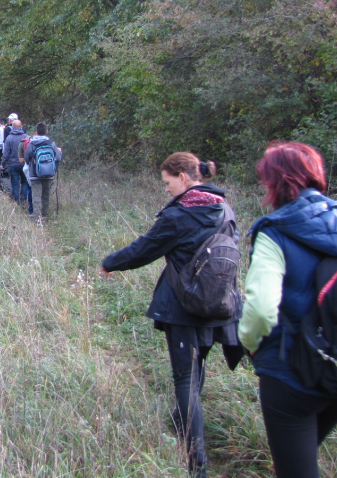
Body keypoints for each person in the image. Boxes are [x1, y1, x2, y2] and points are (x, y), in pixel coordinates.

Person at [239, 142, 337, 478]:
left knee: (295, 469)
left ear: (275, 182)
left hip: (292, 375)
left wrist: (252, 346)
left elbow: (260, 310)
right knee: (301, 458)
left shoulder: (274, 231)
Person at [101, 153, 243, 478]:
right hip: (219, 303)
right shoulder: (224, 207)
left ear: (182, 176)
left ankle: (197, 463)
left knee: (185, 378)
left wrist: (109, 262)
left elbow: (145, 248)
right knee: (198, 368)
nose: (166, 189)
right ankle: (184, 423)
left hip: (184, 306)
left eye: (167, 183)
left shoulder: (180, 214)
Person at [22, 122, 62, 224]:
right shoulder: (51, 143)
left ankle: (37, 219)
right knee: (46, 195)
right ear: (46, 131)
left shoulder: (32, 143)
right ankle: (44, 216)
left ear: (36, 132)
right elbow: (59, 157)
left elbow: (26, 158)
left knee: (36, 195)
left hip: (35, 174)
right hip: (49, 174)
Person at [2, 120, 30, 206]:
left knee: (15, 183)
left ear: (13, 127)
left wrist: (3, 163)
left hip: (13, 164)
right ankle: (23, 201)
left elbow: (6, 153)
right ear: (21, 126)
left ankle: (16, 202)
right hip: (24, 164)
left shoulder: (9, 138)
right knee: (24, 182)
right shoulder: (27, 137)